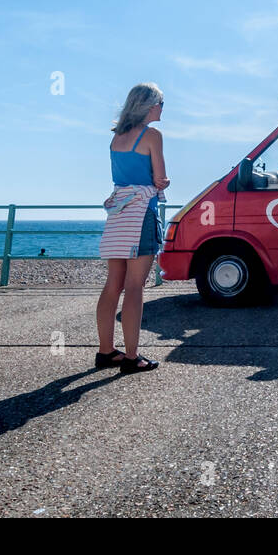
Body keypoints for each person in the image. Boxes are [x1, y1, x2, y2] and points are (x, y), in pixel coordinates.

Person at [97, 83, 169, 373]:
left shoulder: (116, 138)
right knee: (135, 286)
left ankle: (105, 352)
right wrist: (161, 183)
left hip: (118, 215)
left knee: (113, 284)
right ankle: (131, 356)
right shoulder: (151, 135)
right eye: (161, 104)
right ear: (150, 105)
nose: (163, 109)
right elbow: (160, 178)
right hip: (141, 215)